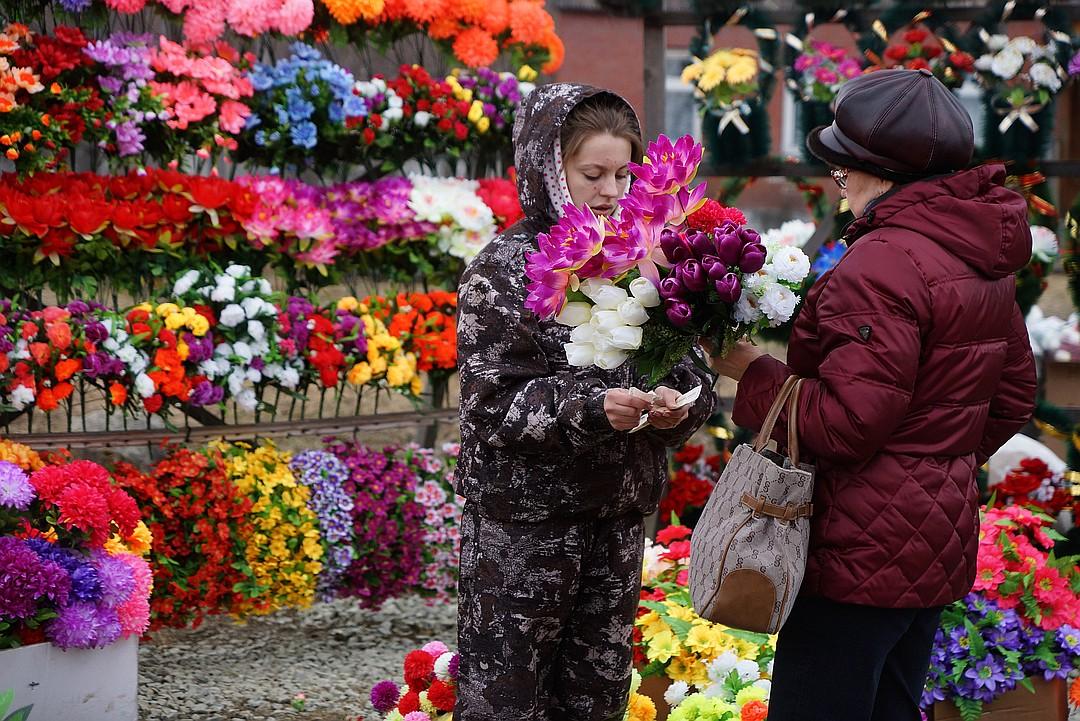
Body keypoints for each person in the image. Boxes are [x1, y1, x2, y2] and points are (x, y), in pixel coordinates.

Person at [710, 68, 1037, 721]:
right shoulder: (975, 253)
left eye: (841, 168)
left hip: (856, 549)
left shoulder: (882, 262)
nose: (839, 182)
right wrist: (935, 459)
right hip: (932, 543)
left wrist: (750, 372)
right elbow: (1013, 394)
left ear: (877, 170)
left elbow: (850, 421)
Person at [455, 84, 716, 721]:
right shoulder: (507, 267)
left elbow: (691, 366)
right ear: (548, 171)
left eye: (624, 174)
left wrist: (680, 403)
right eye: (591, 173)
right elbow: (492, 404)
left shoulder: (642, 256)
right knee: (507, 701)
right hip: (524, 528)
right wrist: (596, 408)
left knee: (596, 700)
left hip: (617, 521)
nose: (610, 191)